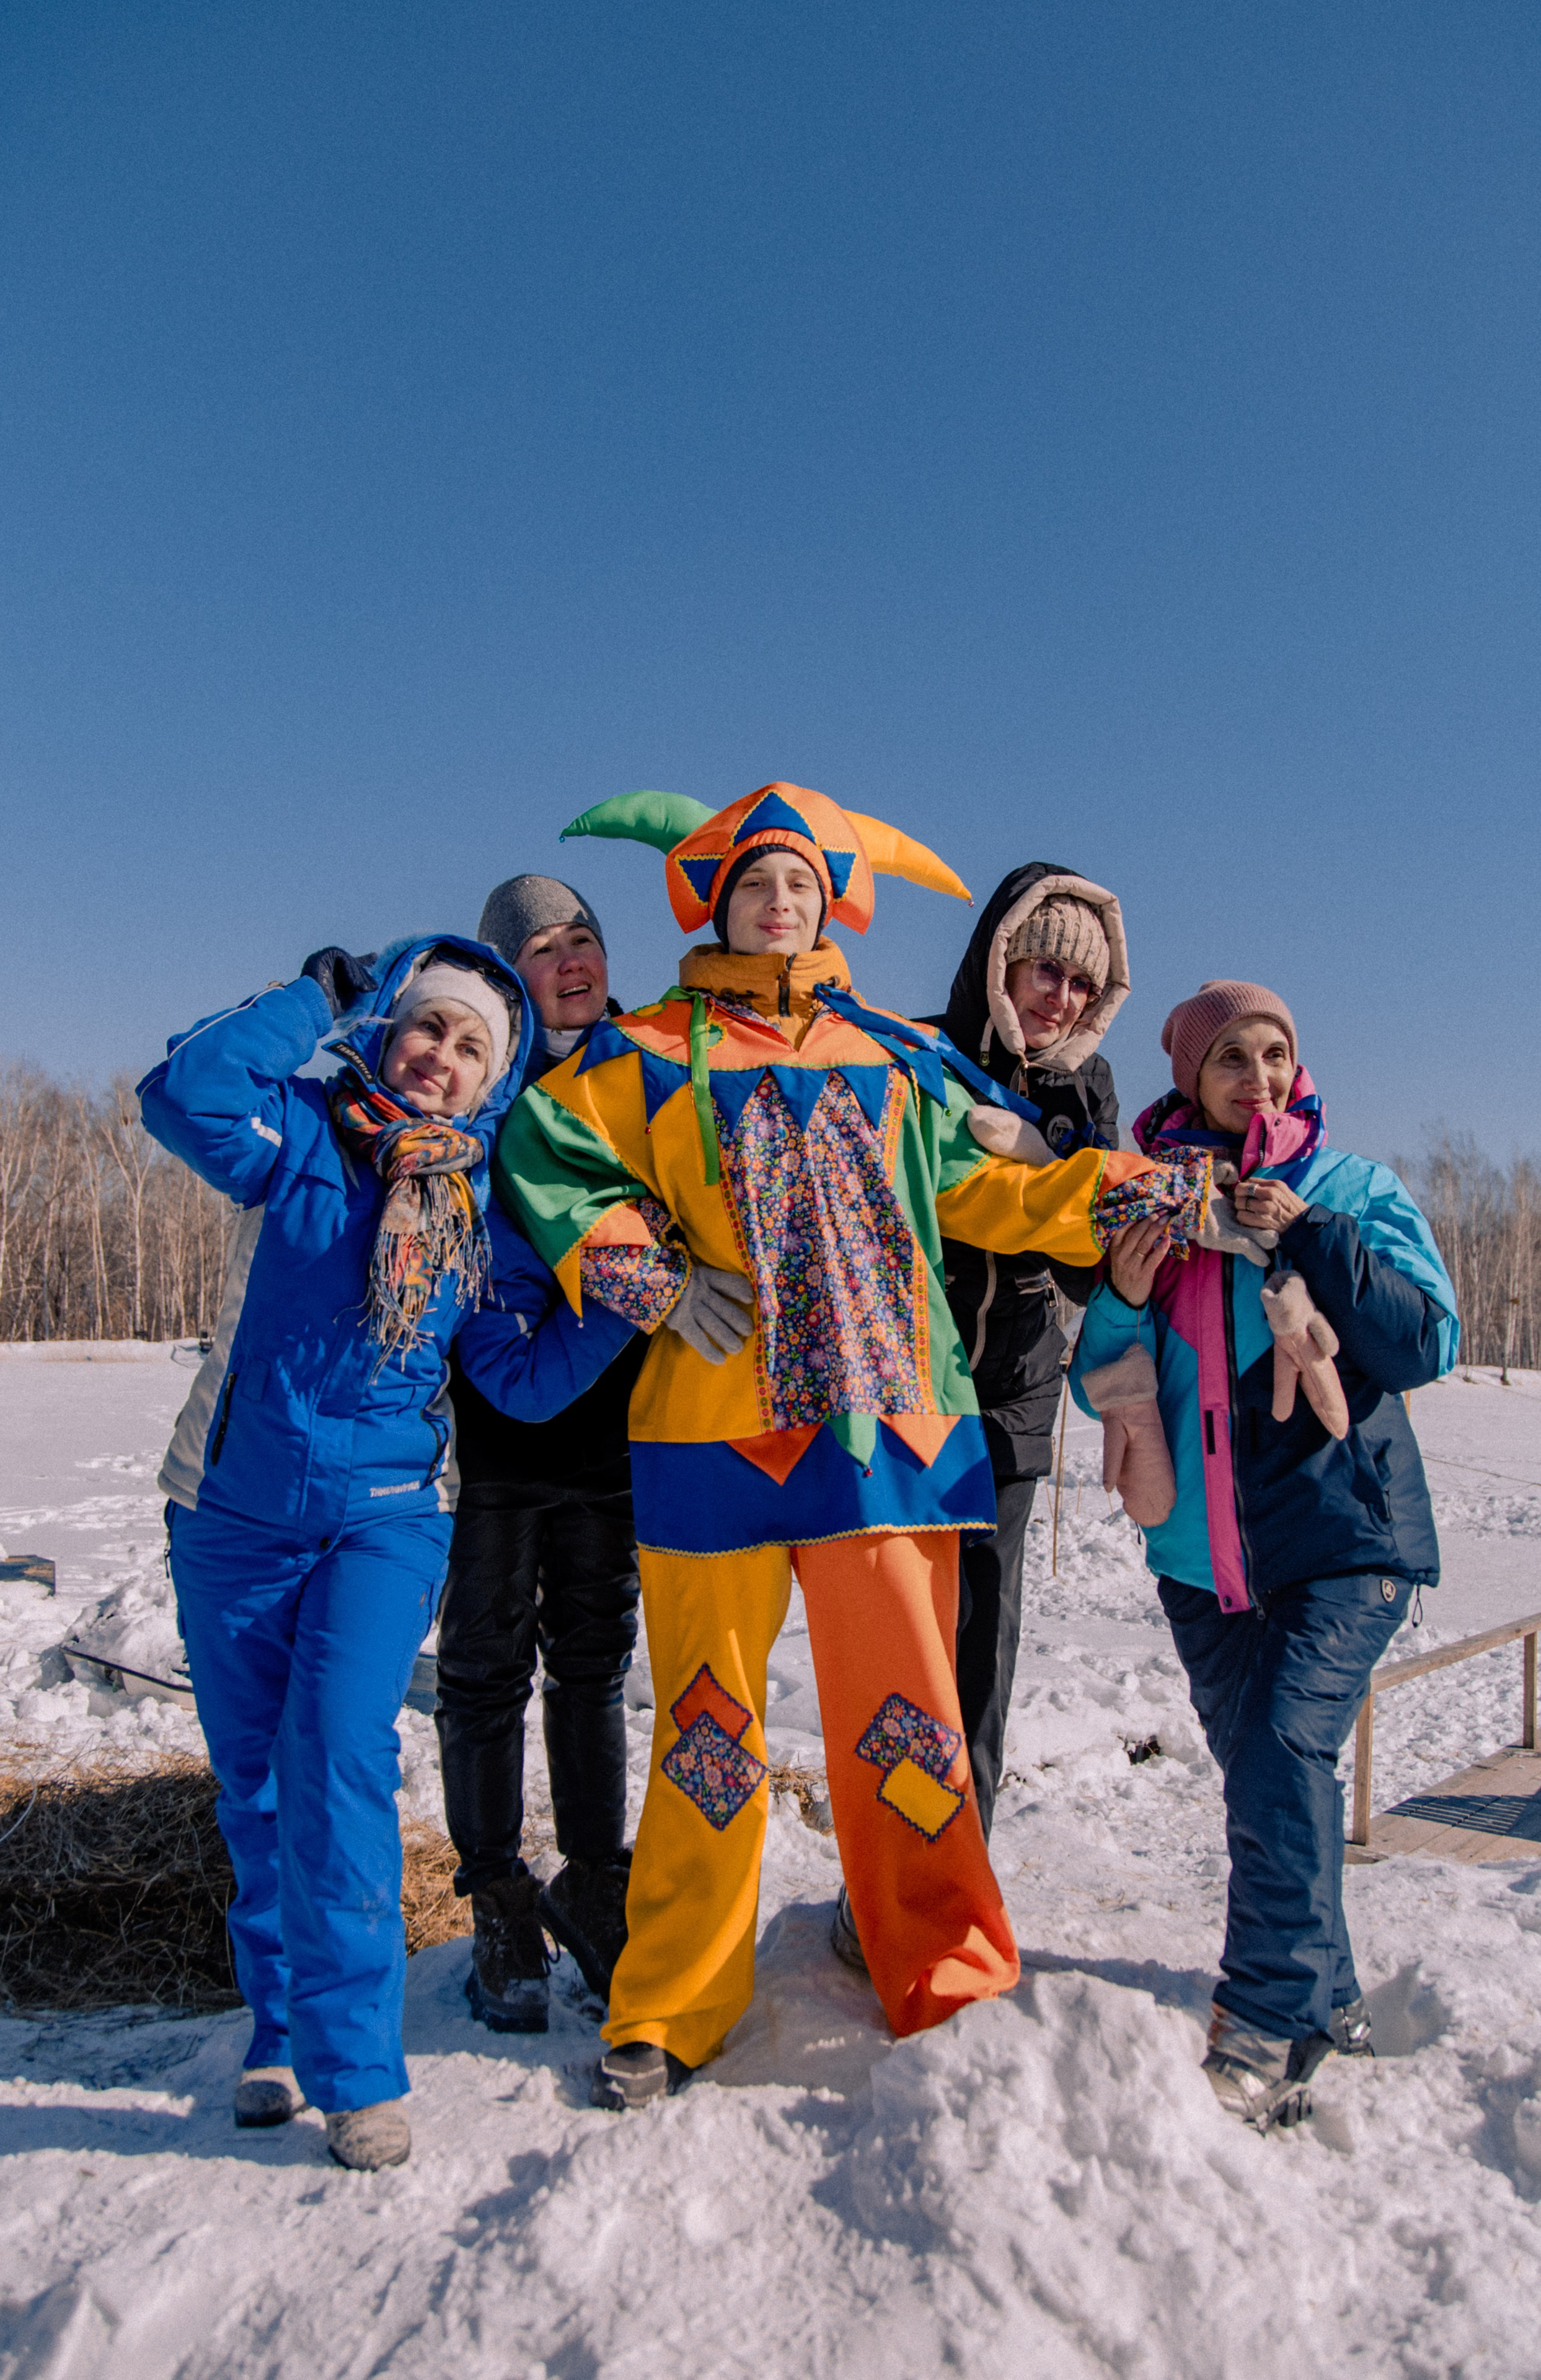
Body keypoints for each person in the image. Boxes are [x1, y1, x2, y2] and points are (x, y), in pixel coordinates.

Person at [497, 783, 1211, 2109]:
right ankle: (673, 1996)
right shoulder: (642, 1054)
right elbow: (547, 1157)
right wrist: (646, 1274)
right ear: (715, 900)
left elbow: (991, 1189)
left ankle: (940, 1963)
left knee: (909, 1718)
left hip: (888, 1431)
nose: (781, 905)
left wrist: (1123, 1190)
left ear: (834, 907)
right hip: (712, 1434)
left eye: (803, 887)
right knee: (706, 1727)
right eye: (757, 883)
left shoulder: (896, 1057)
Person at [141, 937, 634, 2171]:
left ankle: (357, 2071)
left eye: (472, 1047)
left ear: (493, 1080)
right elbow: (184, 1092)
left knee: (339, 1760)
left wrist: (614, 1316)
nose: (441, 1058)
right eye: (427, 1027)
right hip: (230, 1512)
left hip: (384, 1518)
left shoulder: (480, 1200)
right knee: (254, 1786)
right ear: (385, 1030)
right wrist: (316, 995)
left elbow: (515, 1380)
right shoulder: (298, 1135)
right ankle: (276, 2028)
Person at [1070, 980, 1458, 2132]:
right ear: (1190, 1076)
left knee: (1286, 1746)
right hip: (1201, 1561)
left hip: (1343, 1538)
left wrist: (1311, 1235)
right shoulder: (1156, 1204)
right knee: (1268, 1780)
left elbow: (1425, 1340)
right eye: (1232, 1056)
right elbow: (1102, 1376)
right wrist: (1123, 1291)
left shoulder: (1349, 1188)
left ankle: (1263, 2017)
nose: (1260, 1076)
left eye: (1276, 1052)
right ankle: (1331, 1998)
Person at [437, 875, 647, 2030]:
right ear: (509, 975)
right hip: (501, 1431)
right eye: (544, 947)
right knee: (483, 1666)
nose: (572, 961)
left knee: (594, 1661)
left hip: (617, 1432)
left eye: (585, 940)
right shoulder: (487, 1089)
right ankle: (498, 1895)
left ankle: (597, 1881)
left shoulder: (647, 1070)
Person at [926, 864, 1128, 1847]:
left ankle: (965, 1859)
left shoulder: (1088, 1089)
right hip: (912, 1386)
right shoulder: (921, 1055)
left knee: (982, 1636)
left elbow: (1097, 1268)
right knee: (905, 1631)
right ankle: (887, 1865)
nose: (1061, 997)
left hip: (1016, 1391)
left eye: (1083, 983)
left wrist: (1051, 1167)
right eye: (1045, 969)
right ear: (1000, 961)